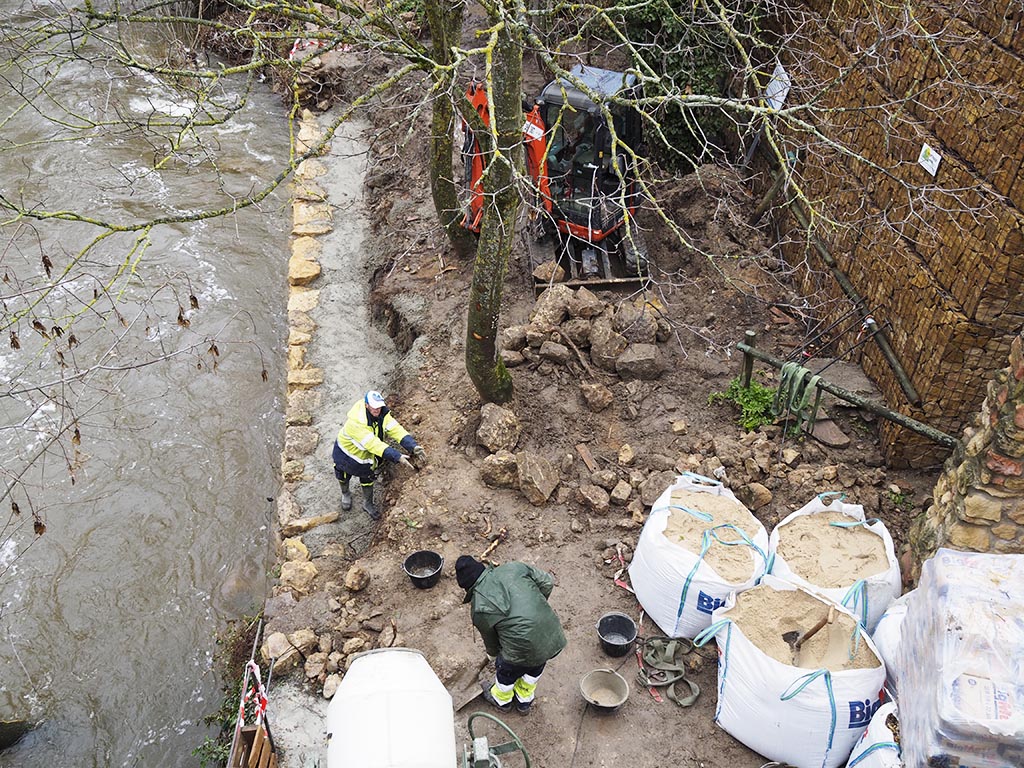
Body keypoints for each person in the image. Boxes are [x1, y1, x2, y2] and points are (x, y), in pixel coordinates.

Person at [456, 555, 567, 715]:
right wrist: (536, 606)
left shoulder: (479, 607)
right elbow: (547, 582)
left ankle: (502, 700)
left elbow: (492, 641)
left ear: (468, 587)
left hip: (519, 651)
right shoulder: (513, 568)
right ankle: (524, 701)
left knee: (506, 671)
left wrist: (494, 656)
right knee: (535, 666)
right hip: (550, 636)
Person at [332, 390, 426, 520]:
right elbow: (373, 444)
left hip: (364, 458)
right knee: (343, 476)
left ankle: (367, 503)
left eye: (379, 406)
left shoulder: (382, 414)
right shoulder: (356, 423)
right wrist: (396, 456)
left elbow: (395, 429)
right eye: (374, 407)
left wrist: (412, 445)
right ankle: (345, 493)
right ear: (366, 405)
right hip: (345, 456)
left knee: (367, 478)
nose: (377, 409)